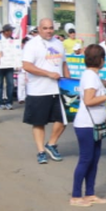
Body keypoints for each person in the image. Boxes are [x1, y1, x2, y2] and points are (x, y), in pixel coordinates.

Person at [70, 44, 106, 207]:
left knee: (94, 159)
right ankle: (76, 195)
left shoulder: (93, 75)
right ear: (100, 60)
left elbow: (99, 83)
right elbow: (89, 100)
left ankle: (90, 193)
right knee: (86, 159)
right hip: (86, 124)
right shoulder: (90, 77)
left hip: (95, 124)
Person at [22, 18, 70, 165]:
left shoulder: (58, 43)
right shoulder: (32, 45)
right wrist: (48, 74)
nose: (49, 31)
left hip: (58, 89)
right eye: (45, 28)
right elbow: (27, 66)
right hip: (38, 90)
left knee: (64, 119)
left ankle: (51, 143)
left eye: (51, 28)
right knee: (39, 122)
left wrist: (68, 83)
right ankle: (41, 151)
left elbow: (64, 64)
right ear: (39, 29)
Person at [0, 24, 17, 110]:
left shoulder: (12, 40)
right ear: (5, 31)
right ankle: (1, 102)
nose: (11, 32)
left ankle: (9, 102)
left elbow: (16, 52)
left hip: (9, 65)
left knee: (10, 84)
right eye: (10, 31)